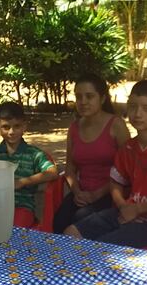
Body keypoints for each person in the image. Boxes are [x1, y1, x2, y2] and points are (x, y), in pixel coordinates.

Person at [64, 80, 147, 248]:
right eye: (133, 107)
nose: (138, 114)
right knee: (70, 233)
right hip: (124, 211)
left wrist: (138, 209)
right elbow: (116, 182)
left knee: (101, 247)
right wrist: (123, 205)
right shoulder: (129, 147)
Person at [53, 73, 130, 233]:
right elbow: (70, 169)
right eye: (79, 97)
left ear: (102, 98)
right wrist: (77, 192)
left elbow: (127, 170)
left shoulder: (116, 125)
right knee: (59, 221)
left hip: (110, 193)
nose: (83, 102)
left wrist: (96, 194)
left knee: (80, 219)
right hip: (81, 193)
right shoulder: (74, 128)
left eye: (89, 96)